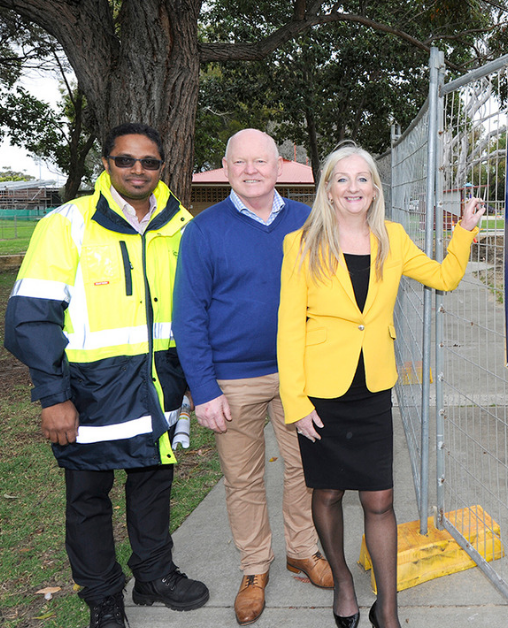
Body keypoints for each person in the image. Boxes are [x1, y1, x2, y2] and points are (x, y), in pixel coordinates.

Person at [4, 123, 208, 628]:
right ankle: (103, 597)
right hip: (88, 395)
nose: (138, 170)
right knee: (89, 499)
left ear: (162, 166)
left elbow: (193, 312)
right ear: (106, 163)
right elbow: (30, 318)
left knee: (153, 486)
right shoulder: (67, 223)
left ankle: (154, 576)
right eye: (126, 160)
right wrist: (53, 397)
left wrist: (188, 387)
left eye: (150, 162)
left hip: (158, 387)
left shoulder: (182, 225)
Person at [278, 145, 485, 628]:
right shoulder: (302, 243)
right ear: (327, 189)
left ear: (375, 189)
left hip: (371, 387)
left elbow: (443, 277)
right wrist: (296, 401)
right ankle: (344, 582)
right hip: (321, 392)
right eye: (342, 179)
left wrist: (465, 232)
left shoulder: (392, 238)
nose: (353, 188)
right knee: (327, 493)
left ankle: (387, 609)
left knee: (380, 499)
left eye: (363, 179)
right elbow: (288, 327)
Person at [173, 128, 328, 626]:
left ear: (279, 166)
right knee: (243, 480)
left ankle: (302, 550)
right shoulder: (204, 230)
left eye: (260, 161)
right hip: (233, 380)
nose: (251, 170)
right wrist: (204, 388)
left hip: (297, 374)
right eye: (240, 162)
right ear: (226, 168)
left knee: (305, 469)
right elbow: (188, 315)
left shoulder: (308, 222)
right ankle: (254, 568)